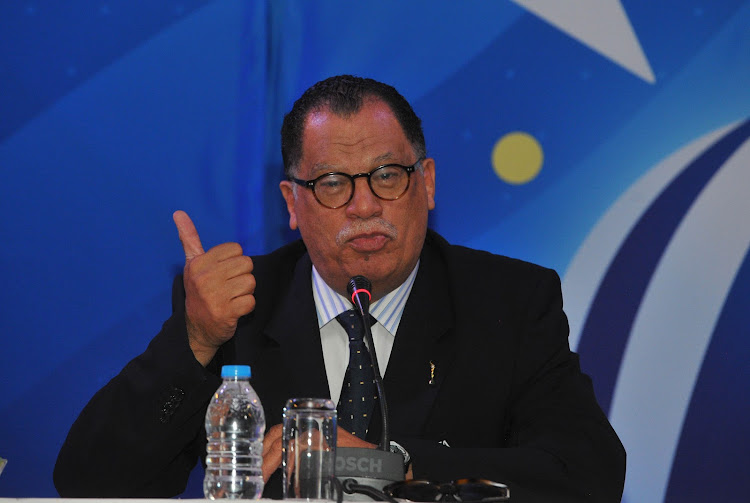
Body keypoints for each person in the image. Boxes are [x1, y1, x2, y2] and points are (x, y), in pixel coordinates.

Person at [54, 75, 625, 502]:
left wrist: (396, 463)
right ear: (291, 205)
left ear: (425, 184)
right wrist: (195, 341)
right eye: (332, 183)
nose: (365, 205)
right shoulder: (238, 309)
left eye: (387, 175)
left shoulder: (509, 301)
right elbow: (89, 484)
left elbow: (589, 473)